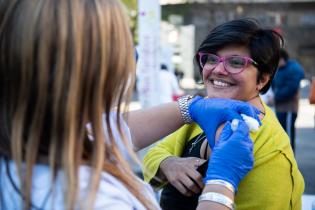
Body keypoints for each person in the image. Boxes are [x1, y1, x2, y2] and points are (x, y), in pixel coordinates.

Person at [0, 1, 259, 210]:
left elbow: (108, 130)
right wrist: (220, 186)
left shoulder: (29, 140)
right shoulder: (91, 199)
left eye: (236, 63)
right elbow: (150, 154)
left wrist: (191, 107)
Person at [143, 18, 305, 210]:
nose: (218, 70)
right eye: (211, 59)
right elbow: (151, 155)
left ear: (262, 79)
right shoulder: (204, 112)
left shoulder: (271, 149)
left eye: (236, 62)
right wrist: (168, 163)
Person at [272, 48, 305, 152]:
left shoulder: (293, 68)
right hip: (279, 107)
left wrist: (276, 97)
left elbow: (291, 87)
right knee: (282, 134)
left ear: (282, 58)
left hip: (289, 108)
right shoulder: (278, 69)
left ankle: (291, 161)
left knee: (289, 136)